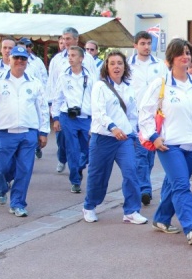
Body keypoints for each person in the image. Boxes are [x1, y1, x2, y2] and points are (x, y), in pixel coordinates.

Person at [138, 38, 192, 245]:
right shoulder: (160, 84)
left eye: (188, 53)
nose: (186, 57)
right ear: (171, 58)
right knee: (182, 185)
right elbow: (144, 113)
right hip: (169, 145)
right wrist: (153, 136)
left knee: (174, 185)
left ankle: (162, 219)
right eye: (181, 53)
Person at [0, 46, 49, 217]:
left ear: (27, 61)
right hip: (5, 131)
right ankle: (2, 187)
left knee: (25, 169)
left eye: (23, 59)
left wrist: (43, 131)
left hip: (28, 132)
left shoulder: (34, 82)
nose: (19, 61)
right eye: (16, 58)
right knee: (2, 168)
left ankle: (18, 203)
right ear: (9, 59)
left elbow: (42, 109)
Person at [82, 50, 148, 225]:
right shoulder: (100, 86)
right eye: (112, 63)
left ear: (124, 66)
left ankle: (131, 210)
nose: (116, 66)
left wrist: (135, 133)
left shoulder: (128, 87)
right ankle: (89, 206)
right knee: (98, 175)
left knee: (131, 171)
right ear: (106, 67)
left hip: (124, 139)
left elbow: (133, 114)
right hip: (103, 137)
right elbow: (98, 112)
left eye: (119, 63)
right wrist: (112, 127)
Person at [48, 27, 98, 175]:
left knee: (83, 147)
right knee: (62, 140)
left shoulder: (87, 59)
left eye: (68, 38)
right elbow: (52, 83)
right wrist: (53, 110)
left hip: (84, 112)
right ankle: (63, 158)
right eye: (63, 39)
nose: (65, 41)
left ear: (76, 39)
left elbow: (94, 84)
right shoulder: (57, 60)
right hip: (64, 110)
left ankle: (76, 167)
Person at [128, 31, 168, 206]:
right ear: (135, 45)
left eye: (148, 43)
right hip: (135, 116)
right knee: (140, 153)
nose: (146, 47)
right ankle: (144, 188)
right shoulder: (128, 66)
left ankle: (144, 182)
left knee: (150, 153)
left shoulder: (160, 66)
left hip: (155, 116)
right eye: (142, 43)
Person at [51, 46, 95, 193]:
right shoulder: (63, 76)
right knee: (72, 149)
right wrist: (56, 118)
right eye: (69, 55)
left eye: (73, 55)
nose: (70, 58)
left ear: (81, 58)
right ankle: (75, 180)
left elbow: (96, 99)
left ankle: (78, 168)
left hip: (86, 118)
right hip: (67, 117)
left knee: (87, 151)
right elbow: (57, 98)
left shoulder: (91, 77)